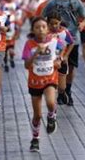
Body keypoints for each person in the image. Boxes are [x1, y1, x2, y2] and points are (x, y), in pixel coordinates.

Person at [22, 17, 70, 152]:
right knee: (37, 115)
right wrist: (36, 53)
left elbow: (63, 47)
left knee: (50, 103)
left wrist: (59, 59)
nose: (41, 29)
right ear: (33, 30)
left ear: (47, 29)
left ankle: (51, 116)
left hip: (50, 79)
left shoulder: (55, 41)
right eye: (37, 27)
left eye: (43, 27)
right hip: (35, 81)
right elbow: (26, 65)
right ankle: (35, 138)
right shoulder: (29, 44)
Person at [42, 0, 85, 107]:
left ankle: (68, 90)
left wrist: (82, 24)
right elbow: (42, 17)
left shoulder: (76, 2)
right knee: (56, 64)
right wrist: (47, 29)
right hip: (56, 40)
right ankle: (59, 91)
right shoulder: (52, 3)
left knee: (71, 67)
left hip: (72, 38)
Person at [46, 11, 74, 105]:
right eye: (51, 24)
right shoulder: (45, 32)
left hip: (61, 61)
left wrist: (65, 56)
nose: (54, 26)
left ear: (60, 22)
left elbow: (71, 43)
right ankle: (52, 105)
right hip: (49, 62)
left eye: (56, 23)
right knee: (51, 86)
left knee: (62, 87)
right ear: (48, 23)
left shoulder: (64, 32)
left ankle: (61, 93)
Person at [2, 0, 21, 72]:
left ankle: (12, 59)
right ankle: (6, 63)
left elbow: (19, 14)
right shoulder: (4, 5)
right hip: (5, 27)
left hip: (13, 26)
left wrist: (18, 24)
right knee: (5, 48)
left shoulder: (16, 5)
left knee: (12, 46)